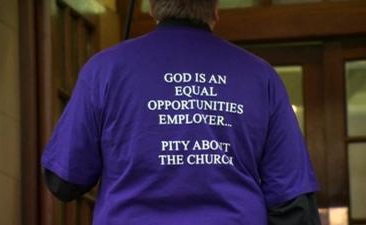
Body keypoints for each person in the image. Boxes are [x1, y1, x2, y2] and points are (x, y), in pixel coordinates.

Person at [41, 0, 322, 224]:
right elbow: (293, 206)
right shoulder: (261, 77)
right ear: (215, 10)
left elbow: (64, 180)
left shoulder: (105, 70)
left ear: (152, 7)